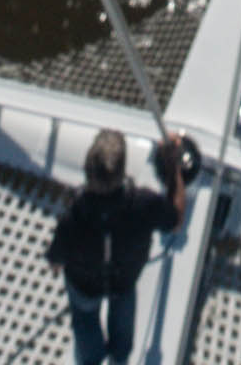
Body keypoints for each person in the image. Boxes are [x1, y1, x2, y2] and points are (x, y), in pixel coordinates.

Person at [51, 126, 198, 365]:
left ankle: (90, 361)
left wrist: (56, 263)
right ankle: (119, 359)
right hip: (123, 282)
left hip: (84, 286)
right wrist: (174, 169)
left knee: (85, 322)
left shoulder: (74, 214)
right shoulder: (144, 204)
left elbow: (57, 256)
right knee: (122, 331)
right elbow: (175, 220)